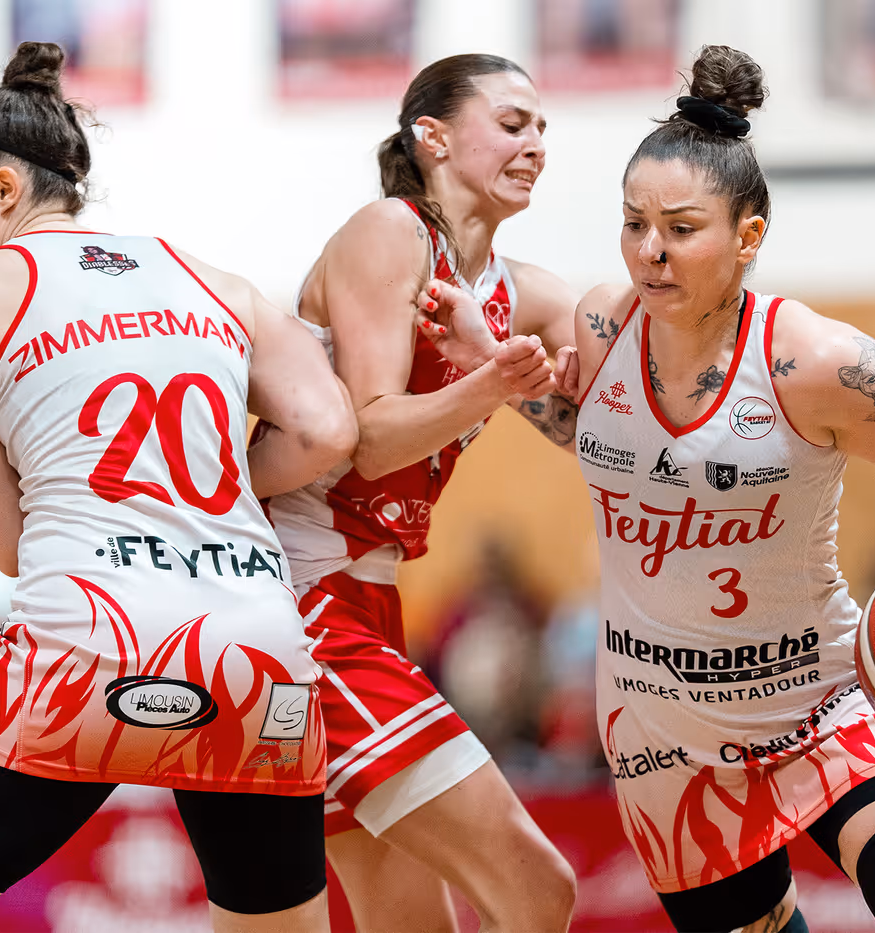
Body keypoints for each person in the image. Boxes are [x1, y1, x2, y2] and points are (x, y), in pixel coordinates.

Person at [0, 42, 356, 933]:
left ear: (3, 191)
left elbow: (9, 544)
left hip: (89, 647)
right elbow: (327, 428)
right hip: (259, 656)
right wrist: (221, 488)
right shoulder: (215, 279)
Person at [550, 44, 875, 933]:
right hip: (659, 730)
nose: (650, 251)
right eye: (633, 223)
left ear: (749, 236)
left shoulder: (819, 361)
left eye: (681, 227)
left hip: (818, 693)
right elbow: (569, 407)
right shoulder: (598, 328)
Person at [251, 53, 579, 933]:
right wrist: (491, 377)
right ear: (431, 137)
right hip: (299, 598)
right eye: (513, 124)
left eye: (543, 127)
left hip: (367, 600)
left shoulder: (520, 290)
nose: (536, 143)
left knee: (411, 924)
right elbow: (369, 434)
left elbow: (613, 395)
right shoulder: (389, 232)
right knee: (540, 889)